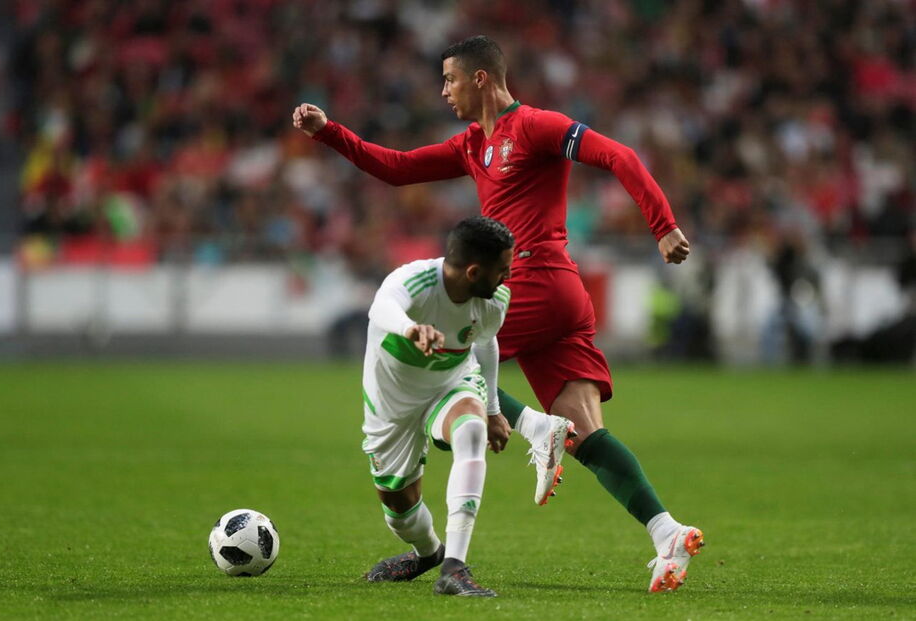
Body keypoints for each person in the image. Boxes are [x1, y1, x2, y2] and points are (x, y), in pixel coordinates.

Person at [294, 35, 703, 593]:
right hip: (559, 294)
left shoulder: (535, 125)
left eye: (450, 80)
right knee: (586, 434)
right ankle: (666, 531)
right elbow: (396, 168)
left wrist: (663, 225)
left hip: (532, 282)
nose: (444, 91)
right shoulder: (470, 145)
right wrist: (329, 133)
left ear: (480, 78)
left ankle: (535, 429)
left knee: (444, 369)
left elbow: (618, 155)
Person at [361, 215, 515, 597]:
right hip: (392, 402)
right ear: (475, 270)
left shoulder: (494, 300)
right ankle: (429, 553)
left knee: (472, 430)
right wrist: (411, 329)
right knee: (399, 510)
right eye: (502, 270)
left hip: (450, 383)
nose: (506, 279)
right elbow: (382, 307)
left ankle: (454, 568)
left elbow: (485, 343)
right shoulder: (414, 280)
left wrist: (493, 409)